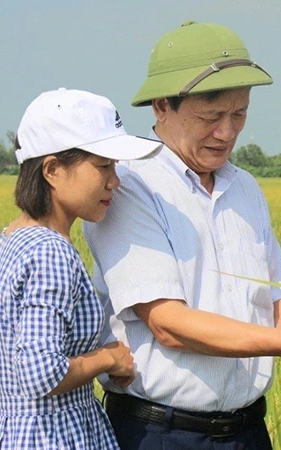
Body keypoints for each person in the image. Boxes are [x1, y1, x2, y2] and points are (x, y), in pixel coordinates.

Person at [82, 21, 281, 450]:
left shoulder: (243, 187)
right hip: (161, 433)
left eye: (239, 114)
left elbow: (279, 307)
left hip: (247, 431)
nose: (227, 132)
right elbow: (169, 324)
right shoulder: (130, 185)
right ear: (161, 106)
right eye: (210, 117)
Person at [0, 88, 162, 449]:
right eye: (103, 166)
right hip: (53, 436)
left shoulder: (11, 238)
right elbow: (41, 373)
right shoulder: (51, 252)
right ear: (53, 170)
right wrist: (108, 358)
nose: (114, 181)